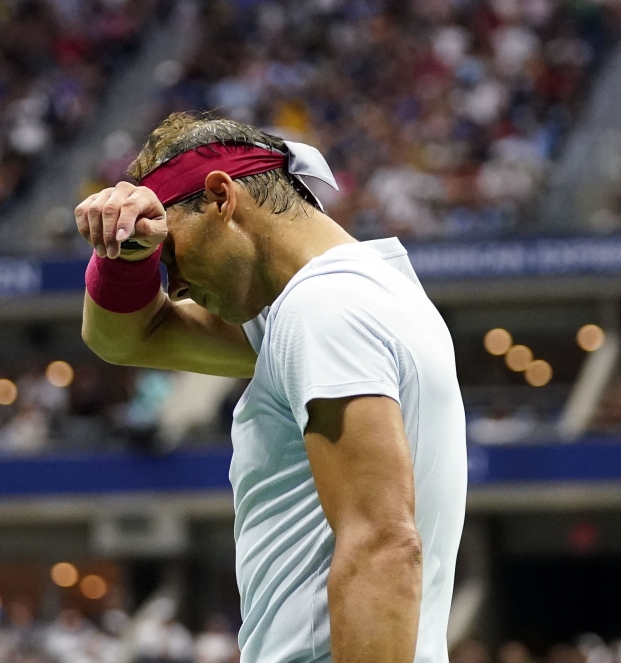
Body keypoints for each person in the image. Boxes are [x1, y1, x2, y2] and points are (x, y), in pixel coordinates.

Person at [77, 113, 467, 663]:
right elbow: (128, 338)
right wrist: (124, 259)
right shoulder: (369, 293)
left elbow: (381, 545)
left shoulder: (325, 309)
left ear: (220, 197)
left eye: (171, 256)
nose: (177, 283)